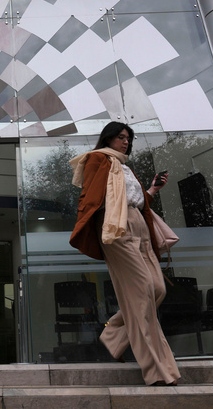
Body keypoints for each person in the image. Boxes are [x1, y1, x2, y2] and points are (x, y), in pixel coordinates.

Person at [68, 121, 180, 386]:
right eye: (121, 137)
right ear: (108, 138)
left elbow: (134, 200)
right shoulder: (97, 159)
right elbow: (91, 196)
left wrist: (152, 190)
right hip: (114, 227)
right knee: (142, 291)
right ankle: (157, 370)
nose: (126, 141)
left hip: (139, 223)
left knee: (157, 289)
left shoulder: (125, 166)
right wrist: (92, 226)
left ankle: (113, 335)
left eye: (129, 138)